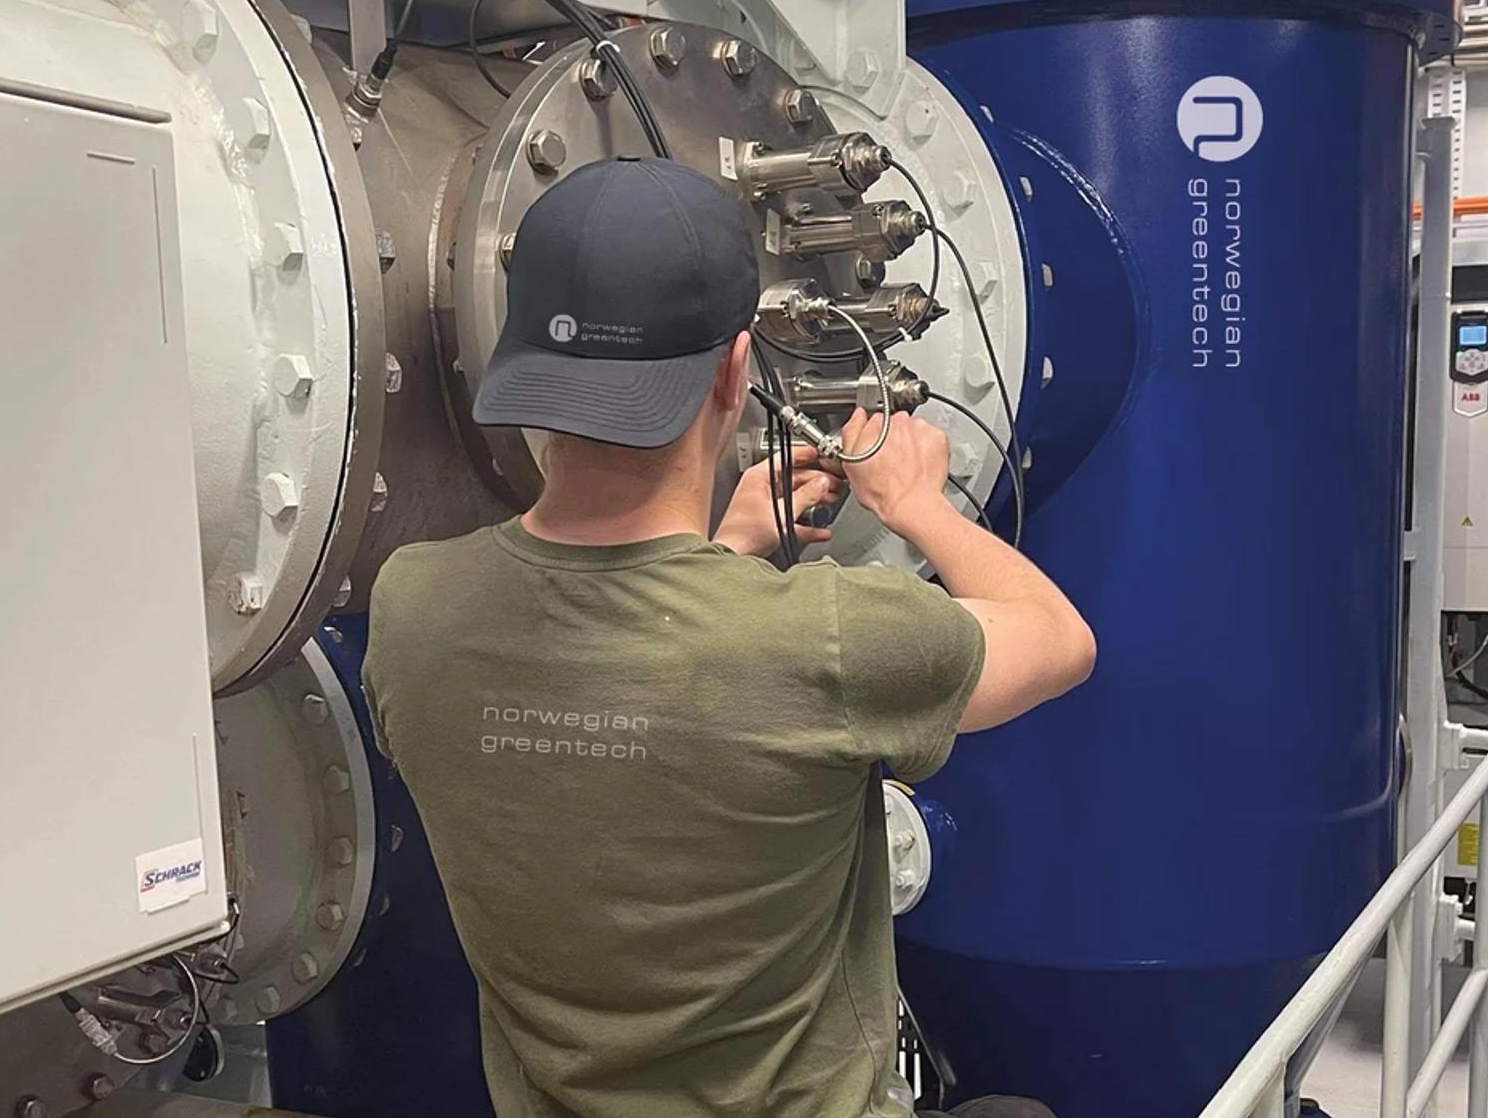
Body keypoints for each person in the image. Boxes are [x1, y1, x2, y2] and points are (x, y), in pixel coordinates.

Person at [363, 156, 1094, 1118]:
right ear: (736, 371)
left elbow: (618, 698)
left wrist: (726, 549)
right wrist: (922, 508)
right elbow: (1059, 639)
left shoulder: (413, 608)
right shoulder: (822, 641)